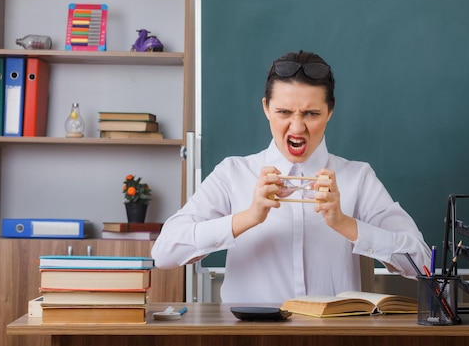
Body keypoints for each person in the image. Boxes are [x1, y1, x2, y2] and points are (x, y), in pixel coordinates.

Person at [151, 50, 431, 303]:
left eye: (311, 113)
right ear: (265, 108)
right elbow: (164, 252)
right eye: (283, 112)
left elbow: (423, 263)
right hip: (249, 338)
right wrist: (248, 217)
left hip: (333, 338)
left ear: (330, 112)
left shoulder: (358, 177)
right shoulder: (232, 173)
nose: (297, 128)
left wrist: (346, 223)